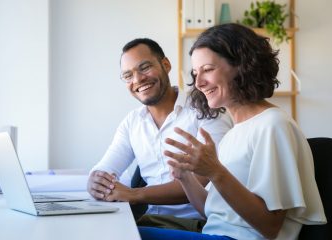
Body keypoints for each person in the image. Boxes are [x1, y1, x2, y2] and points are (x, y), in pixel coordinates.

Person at [138, 23, 327, 240]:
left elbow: (270, 226)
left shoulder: (273, 125)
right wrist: (185, 178)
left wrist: (215, 171)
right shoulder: (234, 132)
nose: (198, 83)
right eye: (195, 73)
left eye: (208, 69)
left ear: (242, 65)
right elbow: (215, 214)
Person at [87, 38, 233, 231]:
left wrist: (135, 194)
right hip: (152, 222)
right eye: (128, 75)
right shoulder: (132, 122)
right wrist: (96, 181)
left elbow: (204, 178)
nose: (138, 79)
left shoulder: (206, 110)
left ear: (166, 65)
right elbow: (106, 168)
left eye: (145, 67)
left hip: (199, 224)